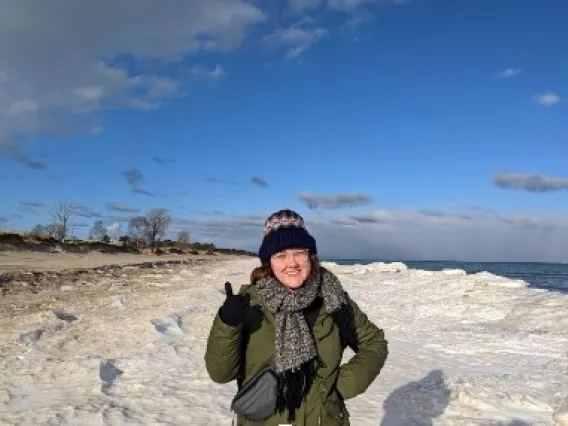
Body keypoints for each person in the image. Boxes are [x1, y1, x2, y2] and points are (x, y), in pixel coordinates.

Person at [205, 209, 388, 425]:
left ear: (310, 256)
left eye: (299, 253)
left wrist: (336, 388)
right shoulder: (249, 304)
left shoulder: (333, 298)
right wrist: (227, 324)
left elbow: (374, 343)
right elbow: (221, 374)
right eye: (281, 255)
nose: (291, 263)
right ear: (269, 262)